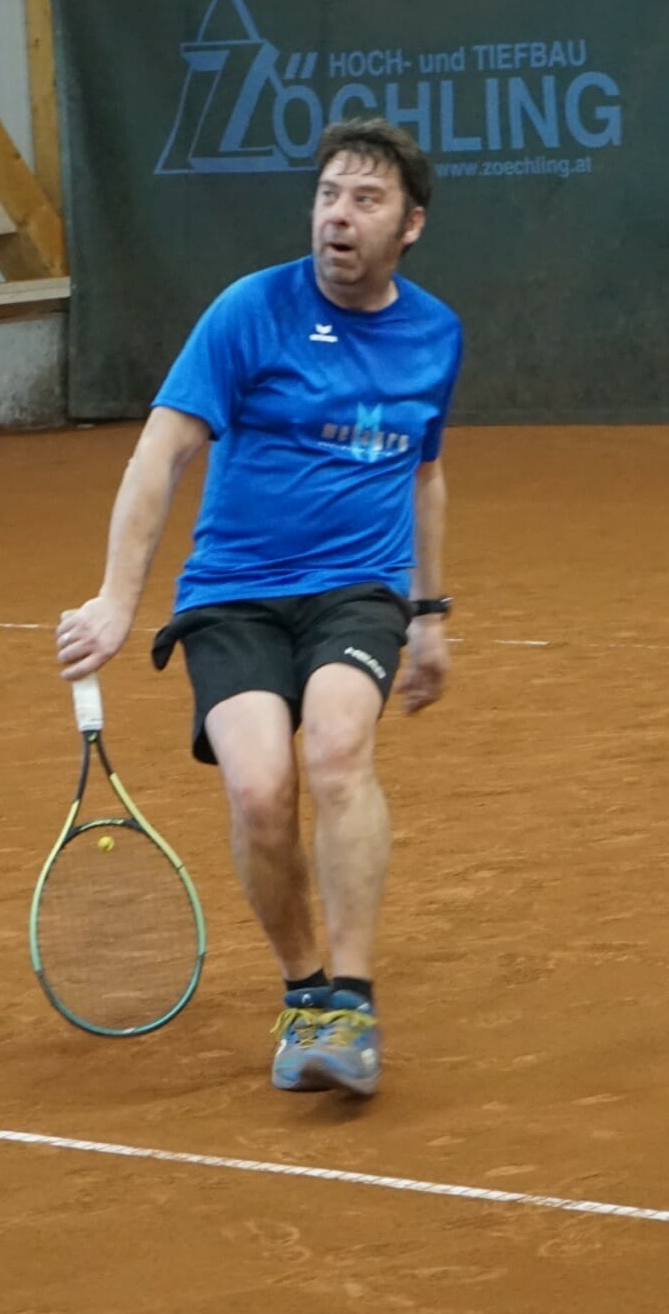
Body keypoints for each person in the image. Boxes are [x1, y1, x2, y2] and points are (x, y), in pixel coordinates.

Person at [55, 117, 461, 1099]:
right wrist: (117, 598)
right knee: (258, 791)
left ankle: (350, 1005)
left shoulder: (435, 333)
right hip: (233, 593)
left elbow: (425, 470)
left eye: (365, 200)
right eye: (328, 194)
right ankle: (305, 988)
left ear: (410, 224)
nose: (338, 216)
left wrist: (429, 612)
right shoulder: (248, 310)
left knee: (336, 753)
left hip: (357, 589)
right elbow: (160, 452)